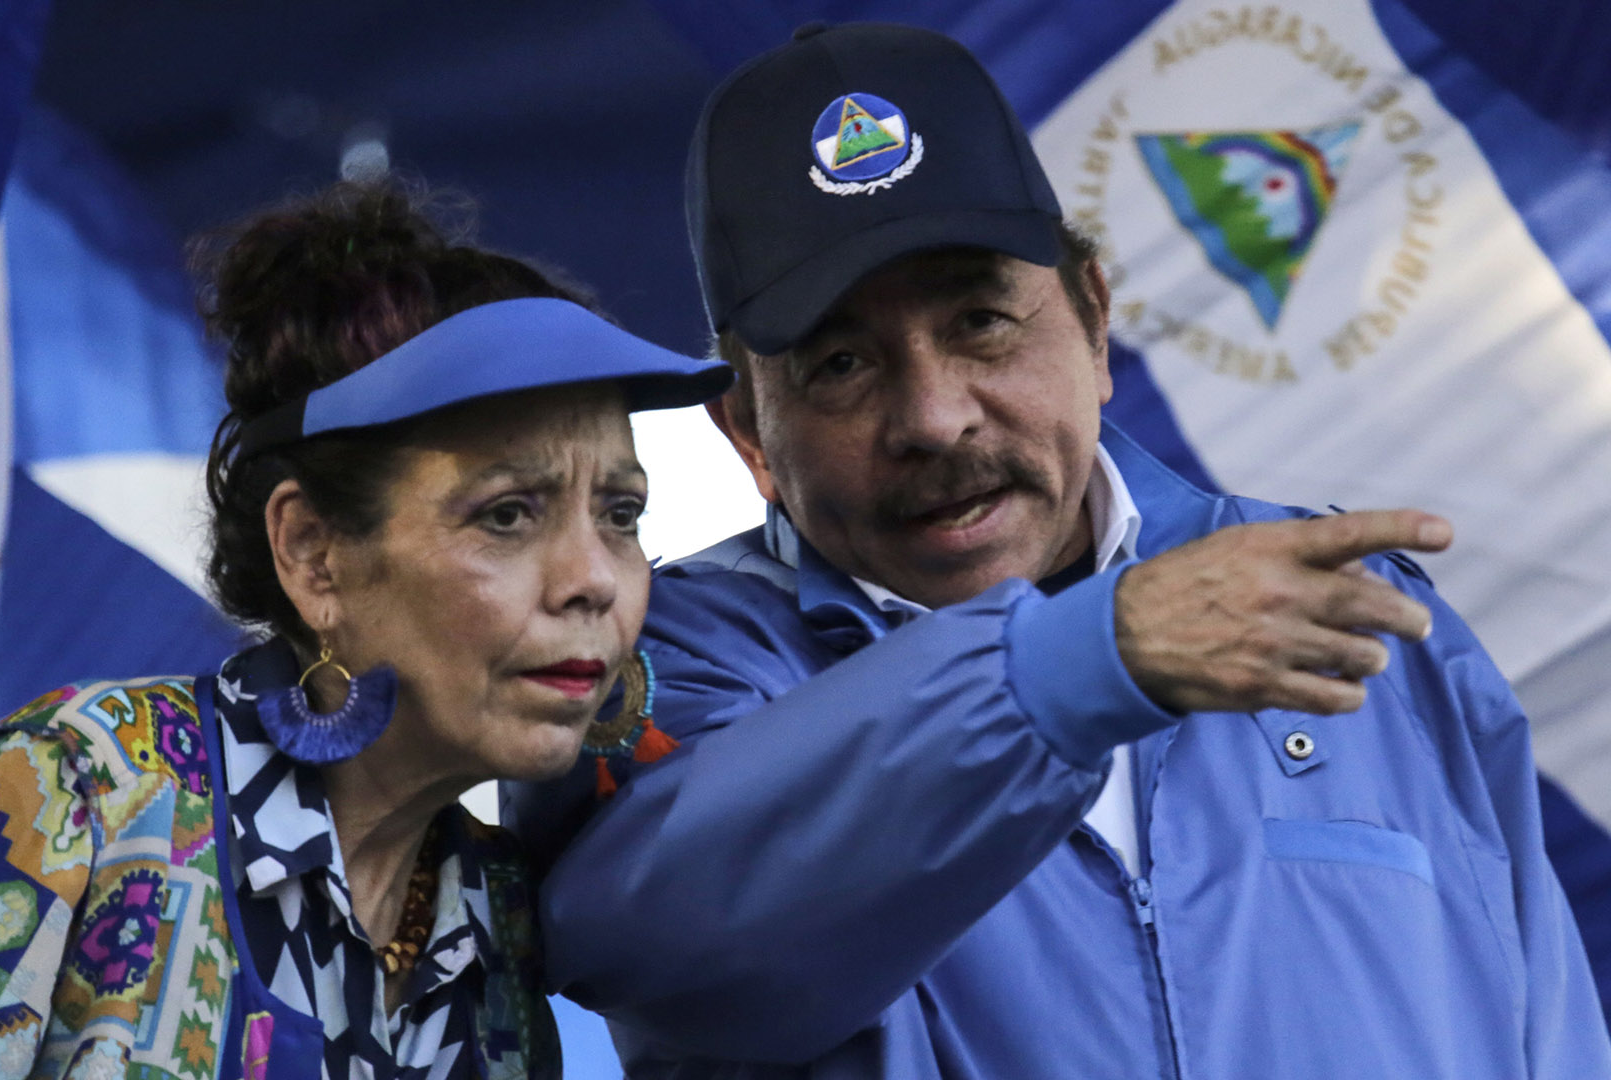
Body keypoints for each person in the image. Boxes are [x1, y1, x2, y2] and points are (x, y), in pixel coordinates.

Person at [503, 23, 1611, 1078]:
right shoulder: (652, 664)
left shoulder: (1360, 614)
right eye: (841, 363)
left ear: (1091, 320)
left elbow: (1550, 1033)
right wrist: (1078, 667)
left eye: (982, 319)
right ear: (747, 431)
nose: (934, 417)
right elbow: (681, 952)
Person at [0, 180, 730, 1080]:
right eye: (507, 514)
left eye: (621, 514)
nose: (595, 580)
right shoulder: (76, 798)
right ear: (313, 554)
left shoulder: (496, 922)